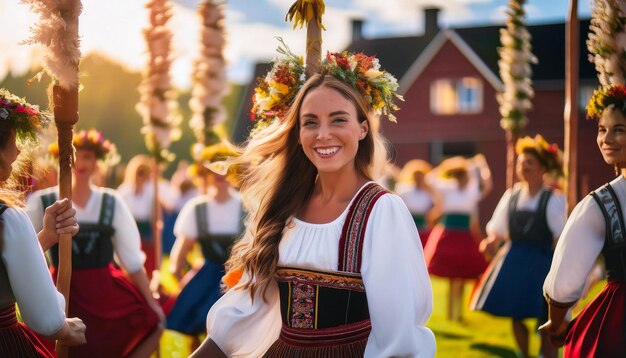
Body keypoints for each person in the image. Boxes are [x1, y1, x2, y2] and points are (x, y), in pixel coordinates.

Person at [190, 50, 435, 357]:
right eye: (310, 122)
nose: (323, 135)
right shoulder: (283, 208)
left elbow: (398, 334)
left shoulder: (381, 211)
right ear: (298, 132)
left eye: (338, 120)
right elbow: (244, 310)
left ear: (362, 128)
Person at [26, 129, 164, 357]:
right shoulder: (42, 202)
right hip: (60, 290)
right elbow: (27, 252)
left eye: (88, 156)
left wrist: (151, 303)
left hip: (104, 292)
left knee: (151, 322)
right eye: (74, 155)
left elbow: (131, 261)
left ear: (97, 162)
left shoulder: (111, 202)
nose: (80, 162)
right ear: (61, 158)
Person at [541, 84, 626, 357]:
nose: (606, 138)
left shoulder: (602, 204)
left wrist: (556, 321)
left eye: (619, 130)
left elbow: (565, 278)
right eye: (602, 129)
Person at [0, 88, 86, 356]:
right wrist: (66, 329)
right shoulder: (8, 219)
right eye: (14, 139)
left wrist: (46, 236)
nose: (17, 151)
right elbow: (44, 318)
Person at [470, 135, 566, 358]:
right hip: (514, 259)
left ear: (542, 167)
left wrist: (558, 266)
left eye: (529, 163)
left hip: (542, 261)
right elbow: (498, 228)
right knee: (515, 312)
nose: (524, 167)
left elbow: (560, 236)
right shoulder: (511, 196)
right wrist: (491, 241)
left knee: (546, 316)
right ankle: (524, 354)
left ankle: (547, 354)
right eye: (521, 163)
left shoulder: (553, 198)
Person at [167, 143, 244, 350]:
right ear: (205, 174)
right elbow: (178, 258)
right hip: (207, 278)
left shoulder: (247, 205)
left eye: (225, 167)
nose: (219, 173)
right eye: (213, 168)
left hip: (239, 280)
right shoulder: (197, 208)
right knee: (200, 325)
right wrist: (185, 281)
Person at [423, 154, 492, 322]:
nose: (464, 179)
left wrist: (481, 165)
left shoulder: (472, 190)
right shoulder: (448, 188)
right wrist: (448, 166)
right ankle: (450, 313)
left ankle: (459, 314)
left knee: (461, 277)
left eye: (465, 176)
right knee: (451, 276)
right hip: (448, 235)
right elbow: (429, 179)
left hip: (465, 236)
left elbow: (488, 185)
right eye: (460, 176)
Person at [117, 154, 179, 278]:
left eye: (145, 173)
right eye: (139, 172)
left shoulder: (151, 191)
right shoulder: (124, 191)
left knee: (148, 268)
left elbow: (169, 205)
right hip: (129, 232)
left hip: (146, 235)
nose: (141, 176)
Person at [398, 159, 436, 247]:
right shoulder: (404, 191)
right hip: (408, 227)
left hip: (424, 227)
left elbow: (437, 206)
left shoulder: (428, 192)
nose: (419, 178)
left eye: (421, 176)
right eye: (416, 176)